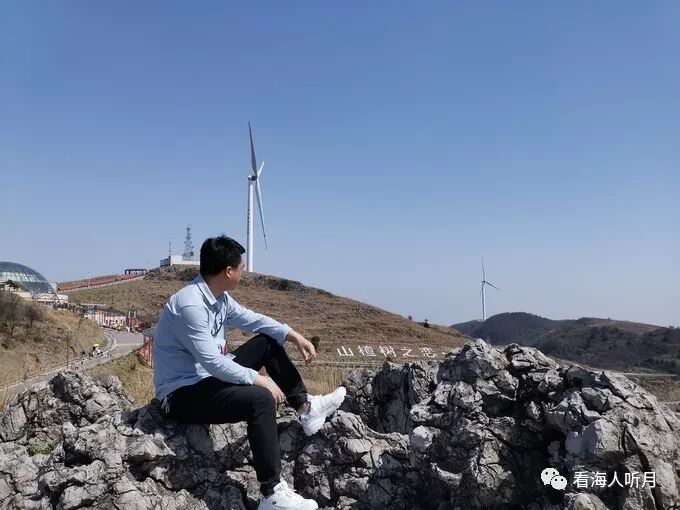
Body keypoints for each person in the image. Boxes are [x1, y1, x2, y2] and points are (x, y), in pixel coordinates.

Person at [153, 235, 346, 510]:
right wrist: (259, 379)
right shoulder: (190, 305)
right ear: (228, 271)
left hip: (206, 379)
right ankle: (271, 494)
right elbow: (213, 362)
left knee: (267, 342)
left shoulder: (219, 298)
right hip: (180, 395)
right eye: (241, 267)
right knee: (260, 399)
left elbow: (253, 319)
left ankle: (306, 408)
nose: (243, 271)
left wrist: (292, 335)